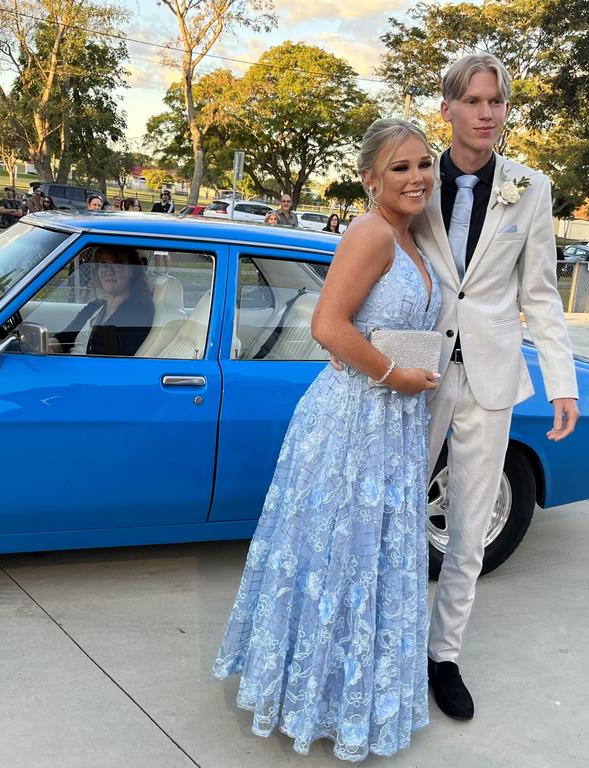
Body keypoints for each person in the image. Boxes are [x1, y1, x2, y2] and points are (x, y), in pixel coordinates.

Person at [214, 118, 442, 761]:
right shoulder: (372, 233)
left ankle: (346, 694)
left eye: (423, 164)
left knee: (366, 557)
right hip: (353, 420)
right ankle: (311, 694)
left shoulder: (415, 239)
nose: (416, 177)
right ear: (371, 179)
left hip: (391, 420)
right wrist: (395, 375)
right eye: (399, 168)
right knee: (336, 554)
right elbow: (327, 326)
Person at [410, 53, 579, 721]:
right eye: (472, 101)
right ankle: (392, 639)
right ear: (447, 108)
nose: (486, 114)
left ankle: (443, 655)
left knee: (471, 524)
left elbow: (540, 293)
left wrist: (560, 382)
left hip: (492, 374)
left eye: (496, 102)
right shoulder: (414, 170)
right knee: (398, 506)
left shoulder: (530, 188)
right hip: (415, 367)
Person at [56, 246, 154, 356]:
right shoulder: (94, 306)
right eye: (103, 264)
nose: (109, 271)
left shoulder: (137, 315)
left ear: (132, 271)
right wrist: (53, 346)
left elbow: (114, 361)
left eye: (117, 264)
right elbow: (64, 337)